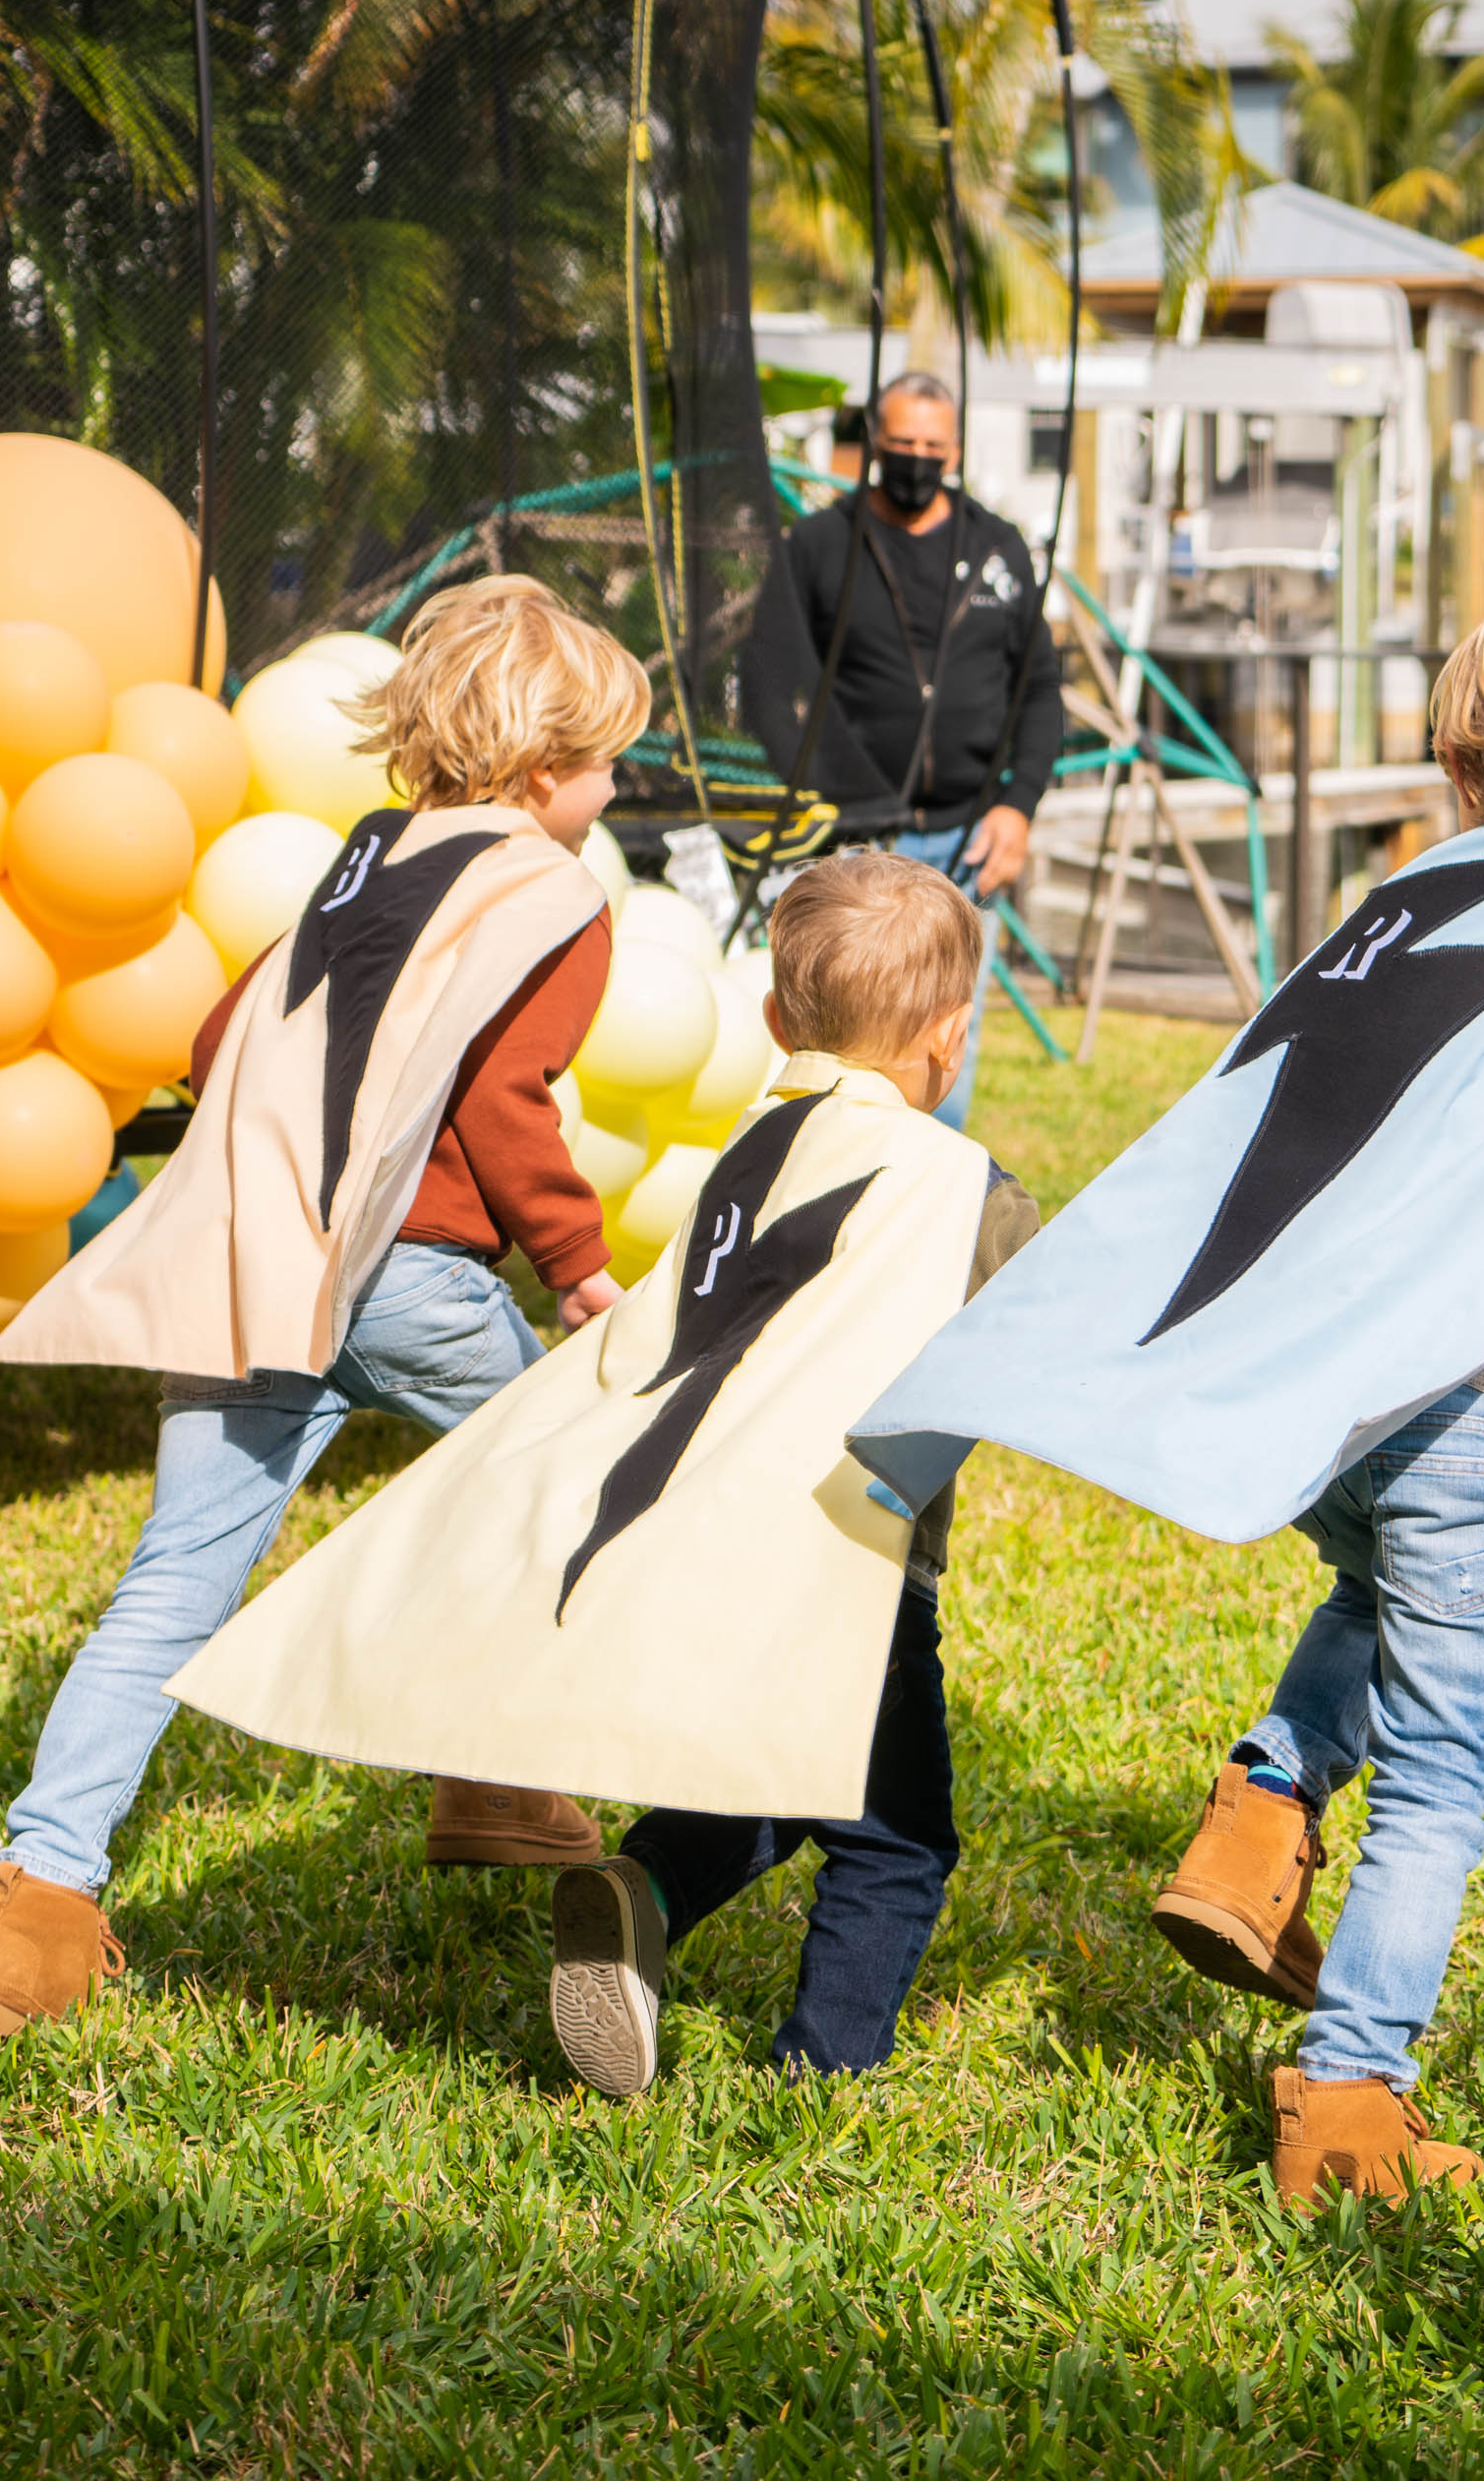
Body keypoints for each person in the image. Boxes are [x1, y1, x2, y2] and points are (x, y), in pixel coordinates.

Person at [848, 584, 1484, 2201]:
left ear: (1459, 756)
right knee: (1441, 1772)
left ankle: (1260, 1811)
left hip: (1328, 1394)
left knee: (1376, 1589)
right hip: (1478, 1401)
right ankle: (1347, 2096)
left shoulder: (1398, 914)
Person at [0, 576, 645, 2035]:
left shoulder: (364, 860)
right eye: (606, 763)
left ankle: (32, 1908)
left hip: (262, 1273)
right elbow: (505, 1101)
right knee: (569, 1482)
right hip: (416, 1278)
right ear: (540, 770)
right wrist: (576, 1265)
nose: (615, 791)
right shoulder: (556, 897)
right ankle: (491, 1770)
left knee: (169, 1584)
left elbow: (217, 1034)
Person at [545, 853, 1039, 2091]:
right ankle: (820, 2074)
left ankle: (648, 1882)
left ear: (772, 1018)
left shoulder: (745, 1154)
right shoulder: (963, 1188)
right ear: (950, 1036)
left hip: (704, 1530)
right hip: (850, 1559)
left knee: (785, 1760)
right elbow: (1040, 1334)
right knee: (895, 1839)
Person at [740, 370, 1062, 1129]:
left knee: (945, 1036)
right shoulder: (822, 544)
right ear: (875, 443)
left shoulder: (997, 548)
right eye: (902, 443)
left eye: (932, 446)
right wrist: (820, 792)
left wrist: (1017, 807)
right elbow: (763, 682)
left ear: (956, 451)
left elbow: (1042, 689)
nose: (917, 459)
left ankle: (930, 1171)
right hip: (856, 840)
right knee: (848, 1029)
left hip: (966, 836)